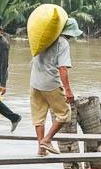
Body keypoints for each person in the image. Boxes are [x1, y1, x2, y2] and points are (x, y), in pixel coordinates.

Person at [31, 18, 82, 156]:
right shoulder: (62, 42)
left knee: (39, 116)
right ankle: (47, 140)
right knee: (65, 114)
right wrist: (68, 90)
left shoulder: (42, 38)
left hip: (35, 82)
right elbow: (63, 68)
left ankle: (41, 149)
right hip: (50, 83)